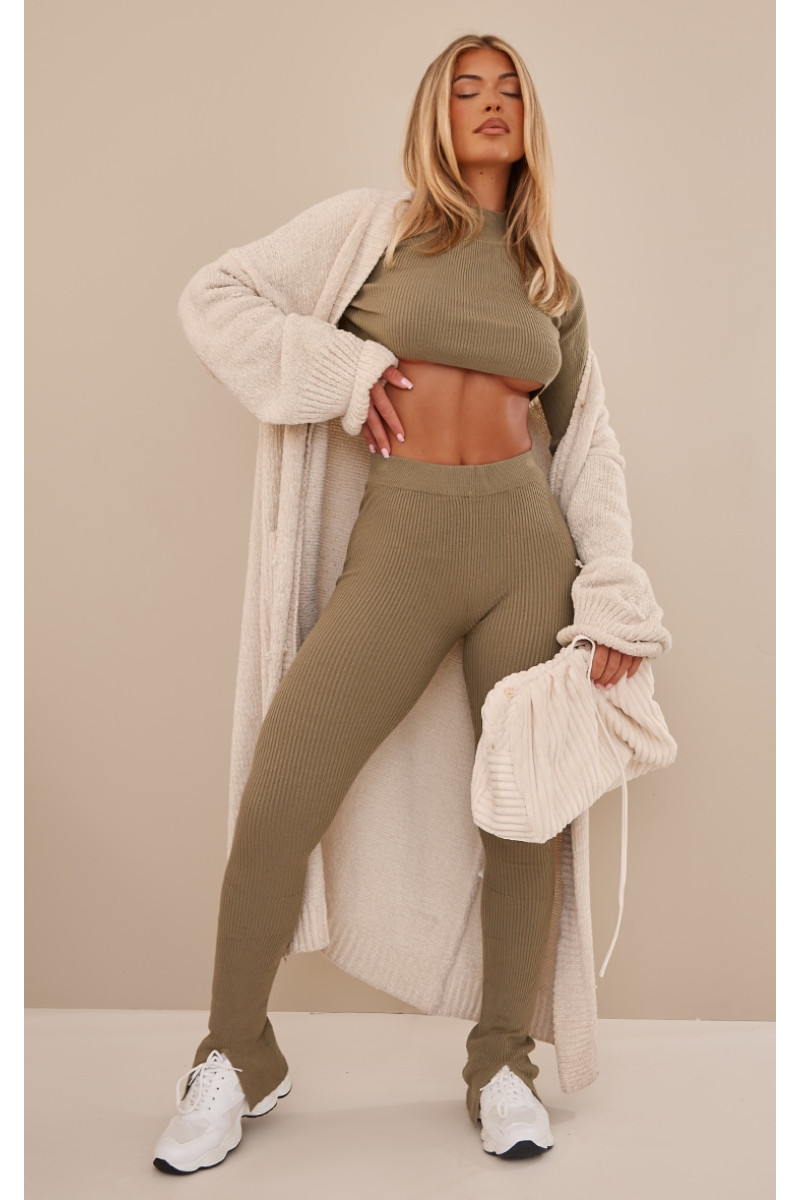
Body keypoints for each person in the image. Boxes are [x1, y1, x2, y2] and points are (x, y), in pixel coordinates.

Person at [153, 32, 670, 1175]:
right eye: (465, 89)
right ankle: (236, 1054)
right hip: (402, 543)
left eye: (508, 90)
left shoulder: (550, 282)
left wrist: (610, 598)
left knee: (524, 806)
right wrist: (341, 375)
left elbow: (587, 446)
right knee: (283, 784)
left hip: (524, 551)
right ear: (435, 115)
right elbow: (216, 297)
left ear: (528, 121)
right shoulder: (371, 233)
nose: (489, 105)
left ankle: (501, 1064)